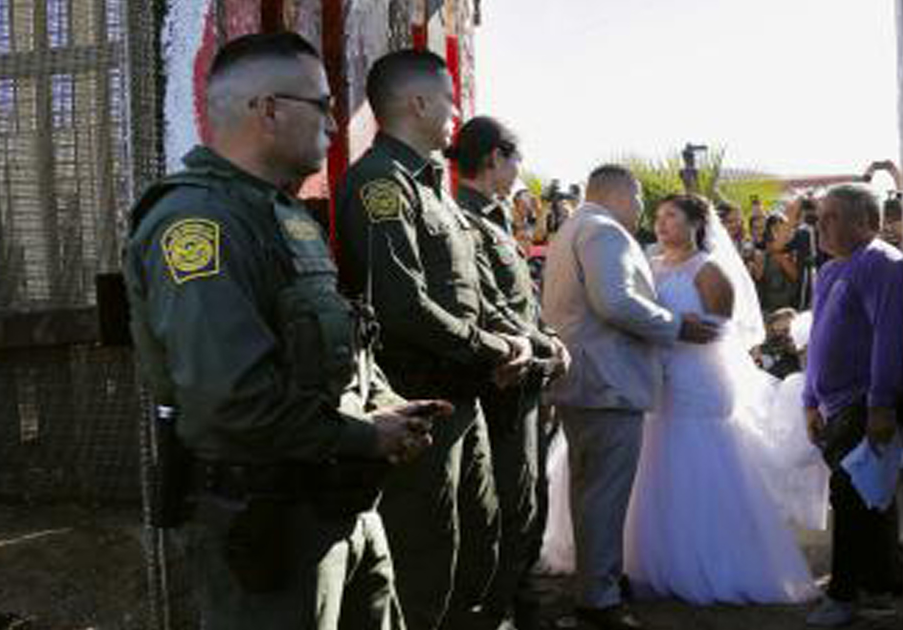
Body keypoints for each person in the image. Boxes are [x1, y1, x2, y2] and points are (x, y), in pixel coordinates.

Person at [122, 32, 444, 629]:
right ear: (268, 110)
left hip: (339, 506)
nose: (334, 123)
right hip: (272, 523)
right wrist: (365, 437)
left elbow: (332, 345)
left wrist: (386, 407)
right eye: (321, 105)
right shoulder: (199, 222)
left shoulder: (282, 213)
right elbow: (233, 401)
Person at [333, 49, 534, 630]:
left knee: (478, 540)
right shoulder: (379, 185)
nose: (456, 111)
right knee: (427, 557)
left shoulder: (431, 186)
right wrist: (494, 348)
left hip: (462, 395)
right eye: (448, 98)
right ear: (417, 103)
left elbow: (462, 288)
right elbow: (402, 306)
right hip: (419, 403)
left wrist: (508, 338)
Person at [540, 165, 719, 630]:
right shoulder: (605, 231)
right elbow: (616, 302)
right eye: (639, 197)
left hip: (583, 381)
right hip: (607, 382)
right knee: (603, 495)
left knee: (589, 491)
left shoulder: (571, 228)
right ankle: (598, 602)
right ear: (620, 192)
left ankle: (596, 585)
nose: (642, 208)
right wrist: (676, 325)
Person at [623, 194, 817, 605]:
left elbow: (720, 334)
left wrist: (679, 330)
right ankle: (661, 561)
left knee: (700, 467)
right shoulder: (649, 265)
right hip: (656, 381)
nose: (661, 224)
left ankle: (713, 562)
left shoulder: (709, 272)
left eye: (672, 216)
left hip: (697, 381)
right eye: (658, 217)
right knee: (658, 466)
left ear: (697, 224)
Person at [446, 115, 571, 630]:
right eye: (516, 158)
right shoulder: (467, 221)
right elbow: (492, 308)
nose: (521, 171)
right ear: (495, 157)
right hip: (500, 389)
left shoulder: (494, 217)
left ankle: (521, 606)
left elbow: (523, 305)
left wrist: (546, 347)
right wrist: (549, 349)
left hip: (524, 379)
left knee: (527, 505)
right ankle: (498, 612)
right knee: (506, 513)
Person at [803, 185, 903, 627]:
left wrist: (881, 404)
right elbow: (817, 338)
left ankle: (844, 595)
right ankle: (881, 586)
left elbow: (889, 336)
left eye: (831, 217)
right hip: (833, 406)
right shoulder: (830, 269)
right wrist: (809, 400)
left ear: (866, 222)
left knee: (850, 498)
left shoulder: (882, 263)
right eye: (819, 216)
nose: (819, 225)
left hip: (864, 401)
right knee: (867, 497)